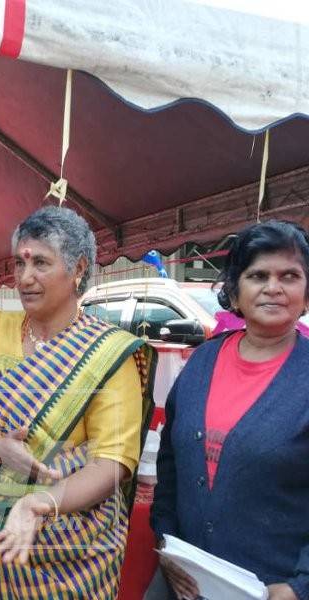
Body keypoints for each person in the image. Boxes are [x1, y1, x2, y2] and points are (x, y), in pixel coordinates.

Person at [0, 206, 156, 599]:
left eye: (41, 263)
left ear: (78, 269)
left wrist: (38, 504)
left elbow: (113, 464)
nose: (24, 278)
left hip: (69, 550)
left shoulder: (108, 355)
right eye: (20, 263)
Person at [151, 220, 309, 600]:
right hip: (186, 580)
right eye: (258, 275)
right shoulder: (201, 363)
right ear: (235, 292)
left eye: (289, 275)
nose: (274, 287)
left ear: (306, 294)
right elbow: (170, 464)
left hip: (273, 586)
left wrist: (297, 586)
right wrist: (167, 543)